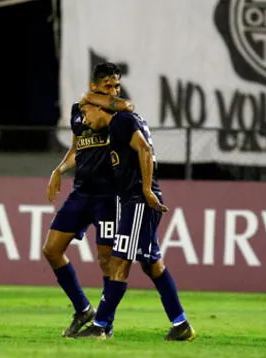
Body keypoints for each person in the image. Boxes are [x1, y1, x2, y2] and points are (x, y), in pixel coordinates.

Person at [73, 102, 195, 341]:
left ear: (99, 107)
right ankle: (180, 324)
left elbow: (145, 149)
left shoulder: (121, 121)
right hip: (132, 199)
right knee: (152, 265)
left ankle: (100, 327)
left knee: (119, 263)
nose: (85, 120)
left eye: (86, 113)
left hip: (138, 199)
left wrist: (147, 190)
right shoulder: (122, 123)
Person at [43, 62, 133, 338]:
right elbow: (77, 148)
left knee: (106, 260)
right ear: (95, 84)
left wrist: (96, 97)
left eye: (116, 85)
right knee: (51, 249)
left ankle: (104, 324)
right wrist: (59, 169)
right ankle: (83, 309)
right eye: (109, 85)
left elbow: (128, 106)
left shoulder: (115, 112)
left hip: (108, 195)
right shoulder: (78, 111)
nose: (115, 90)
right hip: (81, 192)